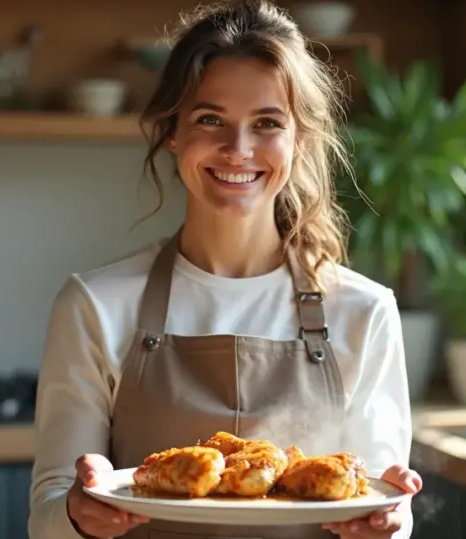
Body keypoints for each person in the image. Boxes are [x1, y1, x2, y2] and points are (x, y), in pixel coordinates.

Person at [28, 1, 422, 537]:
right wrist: (76, 512)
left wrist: (391, 524)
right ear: (172, 130)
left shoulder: (364, 311)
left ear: (300, 139)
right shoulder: (94, 305)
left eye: (267, 123)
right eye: (210, 119)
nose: (238, 149)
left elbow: (382, 505)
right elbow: (48, 516)